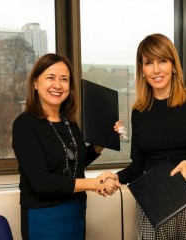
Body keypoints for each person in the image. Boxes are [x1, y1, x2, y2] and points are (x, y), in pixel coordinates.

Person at [101, 33, 186, 239]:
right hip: (153, 199)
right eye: (148, 62)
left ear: (173, 66)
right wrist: (117, 177)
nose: (156, 69)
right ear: (142, 70)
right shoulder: (139, 112)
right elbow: (138, 166)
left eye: (162, 61)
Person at [12, 53, 121, 240]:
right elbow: (41, 181)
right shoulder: (25, 124)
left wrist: (102, 143)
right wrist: (95, 183)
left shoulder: (69, 122)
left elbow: (75, 163)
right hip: (44, 216)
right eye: (50, 77)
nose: (58, 85)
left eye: (64, 79)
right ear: (35, 83)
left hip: (76, 211)